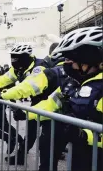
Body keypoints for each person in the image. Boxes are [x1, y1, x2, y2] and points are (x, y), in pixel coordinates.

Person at [27, 26, 103, 171]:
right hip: (80, 157)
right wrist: (25, 112)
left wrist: (84, 135)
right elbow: (49, 105)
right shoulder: (73, 83)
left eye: (73, 60)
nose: (69, 64)